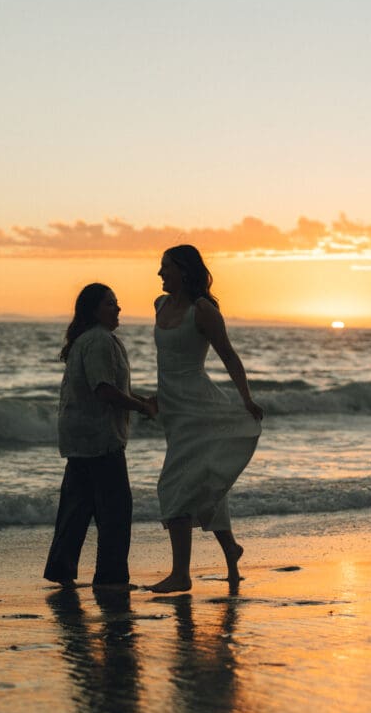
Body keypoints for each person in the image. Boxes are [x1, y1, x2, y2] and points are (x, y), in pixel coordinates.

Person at [149, 245, 264, 593]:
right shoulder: (159, 305)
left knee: (172, 484)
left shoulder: (203, 310)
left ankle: (181, 575)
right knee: (199, 482)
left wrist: (245, 398)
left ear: (184, 270)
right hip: (173, 409)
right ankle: (230, 549)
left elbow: (228, 355)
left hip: (200, 408)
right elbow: (166, 361)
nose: (159, 274)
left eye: (165, 267)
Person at [44, 283, 155, 589]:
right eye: (110, 304)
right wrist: (142, 408)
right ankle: (110, 578)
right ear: (94, 310)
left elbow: (110, 387)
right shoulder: (100, 341)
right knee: (115, 509)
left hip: (79, 437)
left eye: (117, 304)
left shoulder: (89, 340)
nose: (118, 309)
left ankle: (61, 569)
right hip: (98, 438)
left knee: (76, 507)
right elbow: (104, 390)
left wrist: (141, 401)